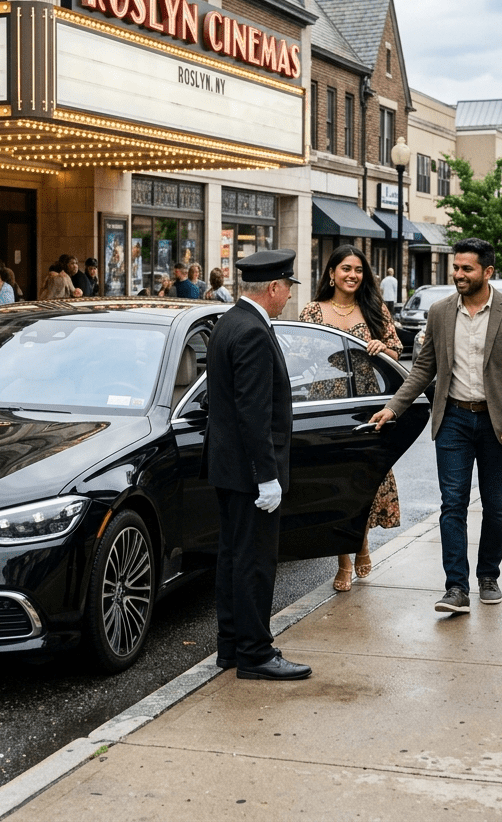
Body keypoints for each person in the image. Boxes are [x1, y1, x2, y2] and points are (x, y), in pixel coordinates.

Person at [370, 237, 502, 614]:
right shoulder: (441, 312)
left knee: (496, 505)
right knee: (453, 504)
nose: (458, 274)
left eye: (467, 269)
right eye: (456, 267)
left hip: (497, 423)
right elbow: (423, 368)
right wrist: (393, 407)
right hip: (454, 419)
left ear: (488, 272)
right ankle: (456, 587)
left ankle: (488, 575)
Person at [203, 248, 312, 681]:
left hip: (229, 468)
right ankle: (255, 654)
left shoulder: (229, 322)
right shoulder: (251, 330)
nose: (287, 296)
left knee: (232, 559)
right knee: (254, 563)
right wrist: (266, 476)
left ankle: (231, 646)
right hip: (250, 474)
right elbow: (253, 412)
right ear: (272, 288)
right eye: (286, 288)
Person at [300, 245, 403, 592]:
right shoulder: (314, 311)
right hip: (325, 402)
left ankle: (360, 542)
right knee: (334, 476)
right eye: (345, 268)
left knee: (365, 475)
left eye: (358, 270)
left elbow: (397, 350)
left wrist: (379, 347)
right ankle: (343, 557)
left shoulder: (374, 308)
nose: (352, 275)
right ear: (331, 273)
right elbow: (296, 354)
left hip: (364, 400)